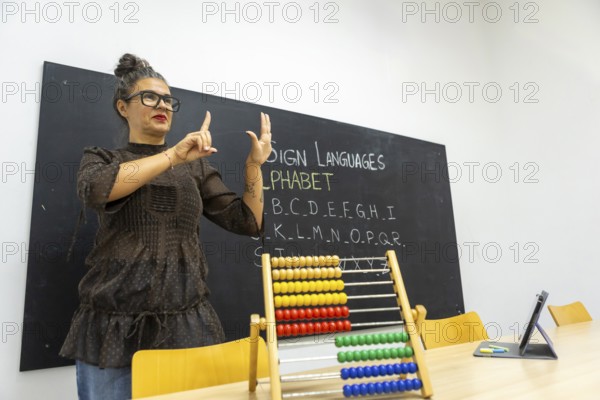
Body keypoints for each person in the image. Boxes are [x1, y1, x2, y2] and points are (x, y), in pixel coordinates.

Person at [59, 53, 272, 400]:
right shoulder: (102, 159)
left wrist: (253, 166)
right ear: (122, 107)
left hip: (185, 324)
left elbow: (248, 221)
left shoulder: (195, 170)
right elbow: (99, 189)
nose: (162, 105)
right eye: (149, 97)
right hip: (113, 326)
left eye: (167, 99)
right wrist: (173, 156)